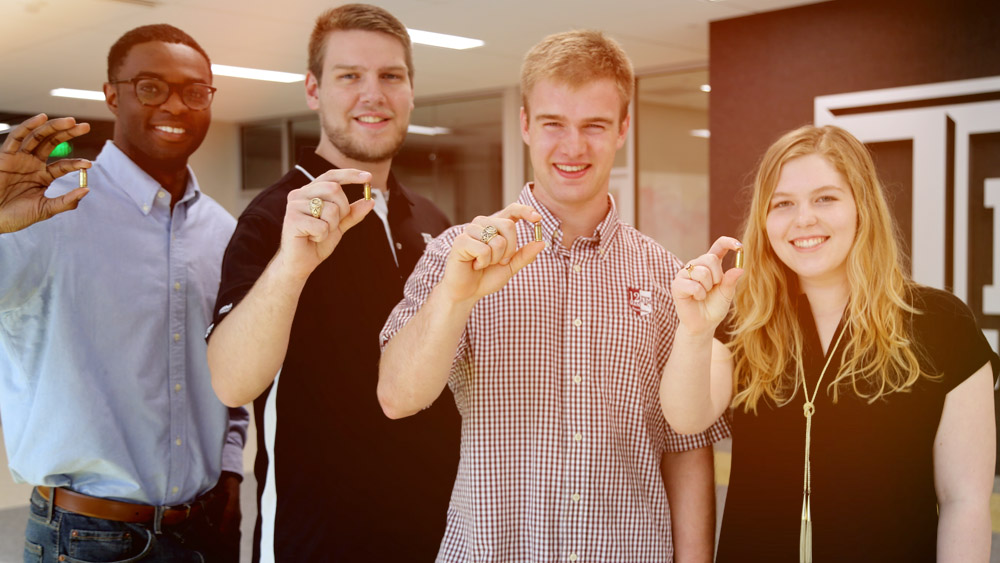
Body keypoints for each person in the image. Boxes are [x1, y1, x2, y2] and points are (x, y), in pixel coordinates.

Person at [378, 29, 730, 562]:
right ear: (524, 124)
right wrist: (455, 297)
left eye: (594, 125)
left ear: (623, 129)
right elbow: (397, 398)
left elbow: (685, 447)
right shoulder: (460, 256)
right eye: (552, 124)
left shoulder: (665, 275)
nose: (573, 147)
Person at [659, 124, 997, 562]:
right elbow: (687, 418)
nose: (804, 219)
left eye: (825, 198)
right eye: (783, 204)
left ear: (862, 207)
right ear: (764, 220)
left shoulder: (941, 324)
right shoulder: (743, 322)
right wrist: (695, 331)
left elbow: (964, 501)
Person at [205, 4, 459, 561]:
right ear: (314, 90)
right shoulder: (274, 218)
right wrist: (293, 266)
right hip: (319, 538)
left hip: (435, 536)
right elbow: (229, 382)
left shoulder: (432, 222)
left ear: (411, 92)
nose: (374, 94)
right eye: (350, 77)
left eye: (391, 76)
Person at [0, 24, 248, 563]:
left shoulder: (224, 231)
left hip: (207, 530)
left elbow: (233, 370)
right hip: (86, 539)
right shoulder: (43, 211)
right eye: (151, 87)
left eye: (195, 91)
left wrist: (230, 469)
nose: (176, 106)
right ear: (112, 94)